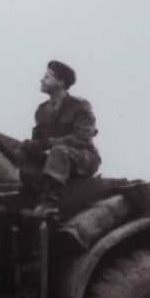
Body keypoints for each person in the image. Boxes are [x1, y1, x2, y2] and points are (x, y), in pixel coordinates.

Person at [19, 60, 101, 215]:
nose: (42, 80)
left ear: (61, 82)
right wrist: (31, 145)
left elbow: (83, 137)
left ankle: (50, 202)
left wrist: (49, 143)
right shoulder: (42, 110)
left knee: (59, 151)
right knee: (22, 153)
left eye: (48, 77)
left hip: (83, 158)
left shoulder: (80, 106)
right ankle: (34, 194)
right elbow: (38, 141)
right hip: (57, 160)